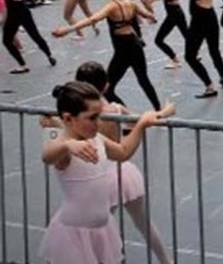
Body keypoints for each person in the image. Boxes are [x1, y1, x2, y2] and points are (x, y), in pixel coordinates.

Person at [39, 81, 172, 264]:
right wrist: (67, 145)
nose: (98, 123)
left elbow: (123, 152)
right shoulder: (64, 149)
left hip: (102, 230)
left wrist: (141, 125)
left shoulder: (97, 139)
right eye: (92, 118)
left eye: (99, 116)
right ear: (69, 119)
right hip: (74, 236)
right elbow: (47, 156)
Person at [52, 0, 162, 110]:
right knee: (144, 80)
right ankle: (158, 110)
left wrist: (68, 29)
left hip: (122, 49)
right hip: (135, 45)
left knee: (107, 88)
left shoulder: (112, 7)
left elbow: (93, 19)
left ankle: (125, 114)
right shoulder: (131, 3)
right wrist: (148, 5)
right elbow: (150, 15)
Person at [143, 0, 223, 98]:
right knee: (214, 50)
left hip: (199, 19)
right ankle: (222, 76)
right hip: (211, 16)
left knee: (190, 56)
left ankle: (210, 86)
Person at [142, 0, 189, 69]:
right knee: (187, 35)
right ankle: (193, 54)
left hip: (173, 15)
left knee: (158, 40)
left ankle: (176, 60)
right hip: (177, 12)